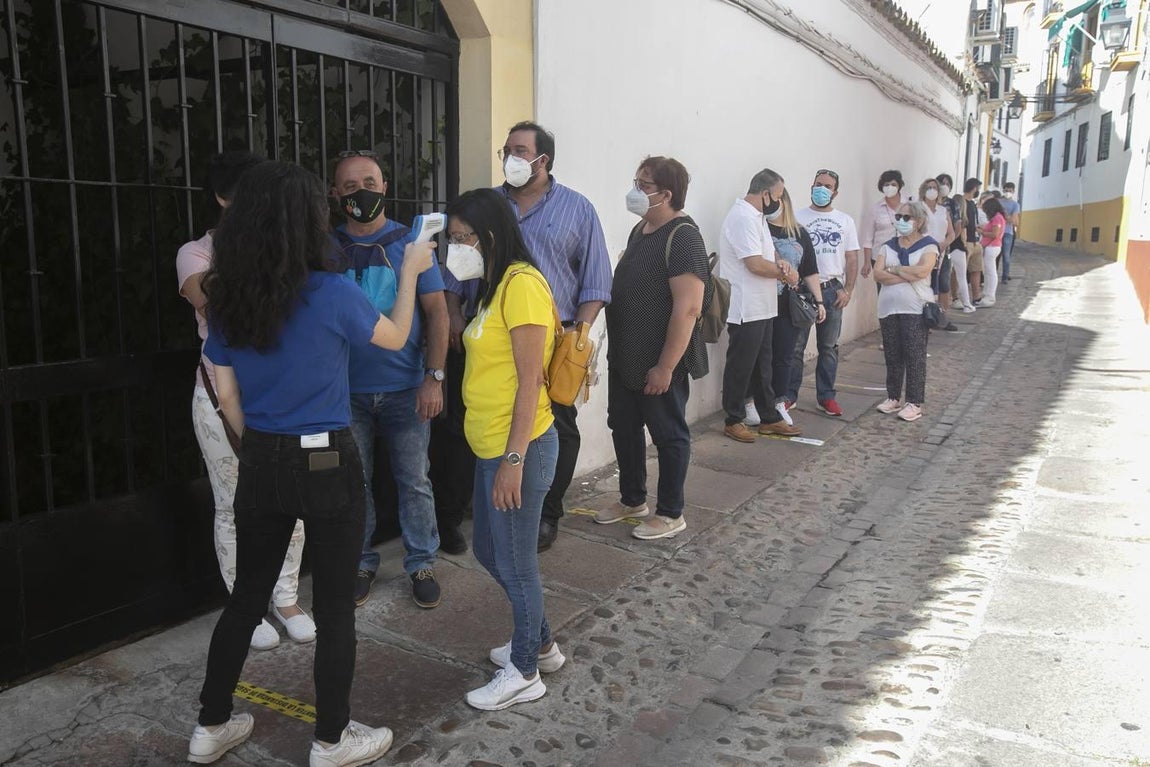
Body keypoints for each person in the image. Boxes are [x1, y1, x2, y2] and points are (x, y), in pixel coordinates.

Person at [188, 160, 436, 766]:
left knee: (247, 598)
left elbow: (225, 396)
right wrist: (408, 270)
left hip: (263, 457)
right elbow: (397, 333)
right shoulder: (330, 292)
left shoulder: (228, 297)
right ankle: (331, 739)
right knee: (330, 605)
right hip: (326, 455)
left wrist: (260, 447)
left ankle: (209, 726)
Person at [177, 151, 314, 651]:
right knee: (234, 505)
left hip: (281, 398)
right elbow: (214, 301)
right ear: (223, 198)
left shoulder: (285, 250)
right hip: (219, 398)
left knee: (294, 500)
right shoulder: (196, 254)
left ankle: (287, 598)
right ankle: (246, 603)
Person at [445, 188, 563, 711]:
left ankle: (525, 671)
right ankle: (540, 643)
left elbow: (530, 382)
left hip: (520, 447)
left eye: (462, 239)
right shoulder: (494, 288)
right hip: (491, 443)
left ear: (488, 236)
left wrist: (513, 460)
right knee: (492, 552)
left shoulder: (522, 286)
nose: (456, 249)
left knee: (515, 564)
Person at [330, 151, 448, 609]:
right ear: (336, 194)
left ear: (384, 186)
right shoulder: (324, 248)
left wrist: (434, 378)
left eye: (371, 182)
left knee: (414, 479)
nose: (362, 191)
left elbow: (437, 313)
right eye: (350, 184)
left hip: (405, 390)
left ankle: (421, 561)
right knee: (352, 483)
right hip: (345, 392)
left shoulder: (410, 244)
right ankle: (360, 561)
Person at [488, 121, 612, 552]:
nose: (511, 159)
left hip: (554, 337)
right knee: (497, 416)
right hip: (494, 337)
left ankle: (547, 512)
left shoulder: (578, 209)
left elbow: (596, 280)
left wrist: (577, 336)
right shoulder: (492, 205)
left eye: (520, 151)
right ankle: (496, 500)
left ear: (544, 159)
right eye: (507, 150)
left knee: (557, 426)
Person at [597, 156, 709, 541]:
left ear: (667, 193)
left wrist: (665, 366)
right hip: (626, 355)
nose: (636, 190)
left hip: (660, 359)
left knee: (668, 434)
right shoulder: (640, 230)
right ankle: (632, 499)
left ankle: (670, 512)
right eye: (637, 181)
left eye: (644, 185)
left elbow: (689, 306)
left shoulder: (684, 237)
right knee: (623, 427)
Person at [719, 168, 802, 443]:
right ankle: (732, 418)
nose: (779, 202)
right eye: (778, 196)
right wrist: (785, 274)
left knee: (762, 365)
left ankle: (769, 418)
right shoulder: (742, 217)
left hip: (763, 305)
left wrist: (782, 262)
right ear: (765, 193)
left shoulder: (757, 218)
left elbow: (768, 251)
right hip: (746, 306)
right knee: (741, 366)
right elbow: (753, 263)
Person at [789, 169, 860, 417]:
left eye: (827, 186)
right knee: (795, 347)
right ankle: (789, 395)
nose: (822, 189)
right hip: (803, 292)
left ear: (835, 192)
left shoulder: (845, 221)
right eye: (818, 184)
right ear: (811, 186)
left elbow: (852, 258)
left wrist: (848, 290)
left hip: (832, 291)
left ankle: (826, 397)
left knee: (828, 347)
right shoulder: (797, 218)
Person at [872, 201, 938, 423]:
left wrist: (896, 269)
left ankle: (914, 402)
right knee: (892, 355)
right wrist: (907, 274)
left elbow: (923, 270)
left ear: (918, 221)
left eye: (906, 217)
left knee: (915, 355)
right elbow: (878, 274)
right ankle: (893, 397)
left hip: (915, 309)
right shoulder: (887, 246)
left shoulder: (928, 245)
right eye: (898, 217)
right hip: (888, 308)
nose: (900, 221)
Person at [768, 188, 827, 425]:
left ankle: (778, 401)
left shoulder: (800, 232)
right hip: (761, 302)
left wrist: (819, 301)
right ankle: (752, 401)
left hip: (788, 305)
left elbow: (810, 270)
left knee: (785, 355)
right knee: (760, 356)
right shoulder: (761, 229)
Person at [918, 177, 957, 331]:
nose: (932, 190)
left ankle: (940, 318)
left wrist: (944, 244)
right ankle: (923, 319)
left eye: (935, 187)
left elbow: (952, 233)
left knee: (941, 285)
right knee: (923, 285)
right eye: (929, 187)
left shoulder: (943, 210)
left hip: (940, 252)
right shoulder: (918, 208)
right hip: (922, 252)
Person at [937, 173, 974, 314]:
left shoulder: (953, 204)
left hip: (946, 249)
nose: (944, 186)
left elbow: (957, 228)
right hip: (928, 248)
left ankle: (943, 314)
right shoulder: (927, 203)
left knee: (944, 282)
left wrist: (948, 243)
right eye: (942, 183)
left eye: (947, 183)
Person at [860, 169, 905, 285]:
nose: (890, 187)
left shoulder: (909, 205)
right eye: (886, 185)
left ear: (899, 186)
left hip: (905, 255)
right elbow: (868, 239)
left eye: (893, 184)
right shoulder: (875, 209)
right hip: (880, 257)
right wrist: (866, 263)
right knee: (884, 291)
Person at [976, 196, 1006, 307]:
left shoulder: (997, 218)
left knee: (991, 272)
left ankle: (990, 296)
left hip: (992, 247)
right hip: (991, 247)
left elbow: (994, 234)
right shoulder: (997, 218)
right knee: (988, 271)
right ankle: (987, 293)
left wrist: (981, 232)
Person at [963, 178, 984, 307]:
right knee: (960, 272)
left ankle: (976, 297)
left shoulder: (972, 204)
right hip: (967, 242)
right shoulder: (962, 202)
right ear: (974, 188)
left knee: (976, 270)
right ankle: (956, 297)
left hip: (976, 242)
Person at [1000, 181, 1021, 282]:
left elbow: (1013, 221)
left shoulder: (1015, 205)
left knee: (1006, 256)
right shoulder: (998, 202)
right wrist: (1008, 217)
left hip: (1008, 233)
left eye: (1010, 191)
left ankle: (1005, 276)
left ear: (1013, 191)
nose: (1008, 192)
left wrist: (1004, 214)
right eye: (1006, 190)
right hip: (997, 231)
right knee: (994, 256)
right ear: (1003, 190)